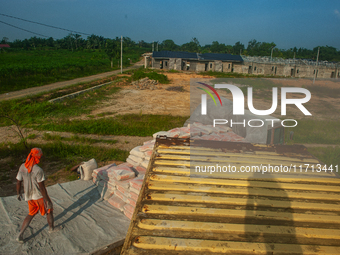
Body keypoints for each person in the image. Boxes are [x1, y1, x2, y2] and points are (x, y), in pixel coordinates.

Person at [16, 148, 54, 243]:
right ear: (38, 157)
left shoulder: (22, 167)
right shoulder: (38, 170)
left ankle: (20, 234)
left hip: (28, 196)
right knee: (49, 210)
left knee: (31, 213)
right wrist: (47, 200)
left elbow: (18, 181)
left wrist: (18, 193)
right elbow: (42, 188)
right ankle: (51, 228)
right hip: (38, 196)